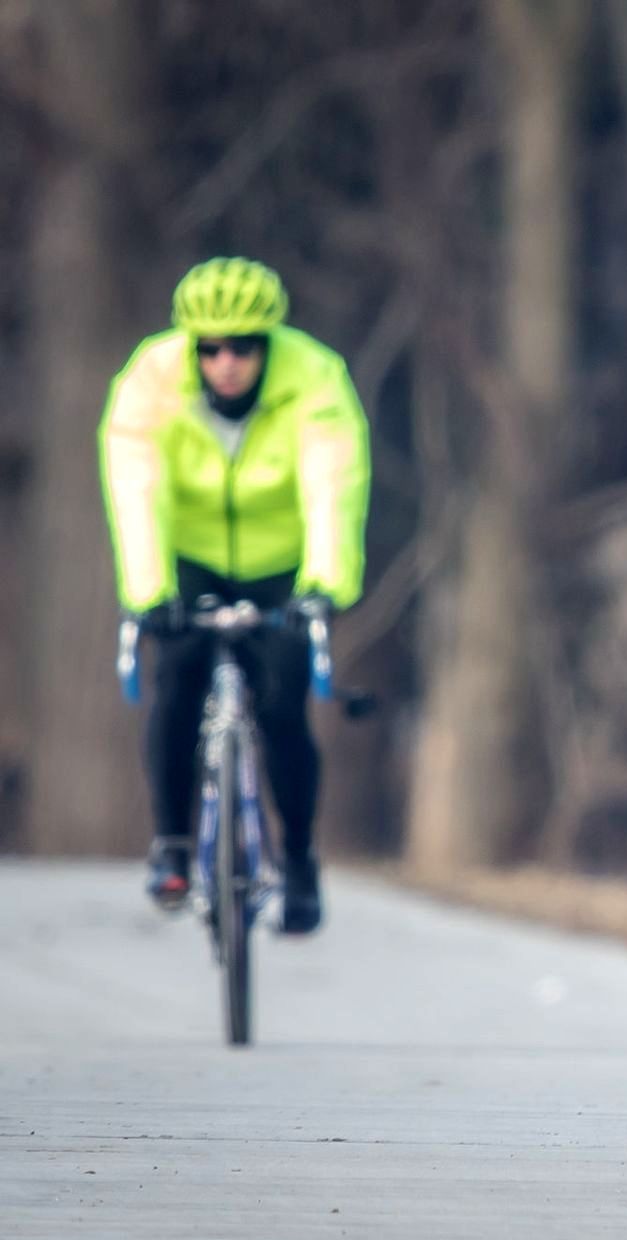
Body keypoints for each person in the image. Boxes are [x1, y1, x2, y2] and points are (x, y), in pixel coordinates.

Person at [99, 257, 370, 933]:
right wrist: (149, 590)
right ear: (190, 348)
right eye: (210, 348)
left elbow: (333, 484)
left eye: (245, 346)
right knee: (178, 680)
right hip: (190, 556)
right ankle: (172, 845)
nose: (226, 362)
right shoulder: (149, 382)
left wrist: (324, 585)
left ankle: (300, 861)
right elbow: (137, 488)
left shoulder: (315, 379)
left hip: (281, 560)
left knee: (283, 706)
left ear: (268, 345)